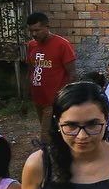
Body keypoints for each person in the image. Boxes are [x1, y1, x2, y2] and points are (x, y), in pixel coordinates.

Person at [26, 12, 76, 145]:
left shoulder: (62, 45)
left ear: (47, 27)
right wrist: (27, 95)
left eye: (37, 30)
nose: (34, 34)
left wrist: (66, 96)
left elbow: (72, 73)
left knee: (45, 135)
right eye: (31, 31)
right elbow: (31, 70)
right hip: (38, 98)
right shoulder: (31, 45)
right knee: (53, 132)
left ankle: (47, 160)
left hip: (54, 100)